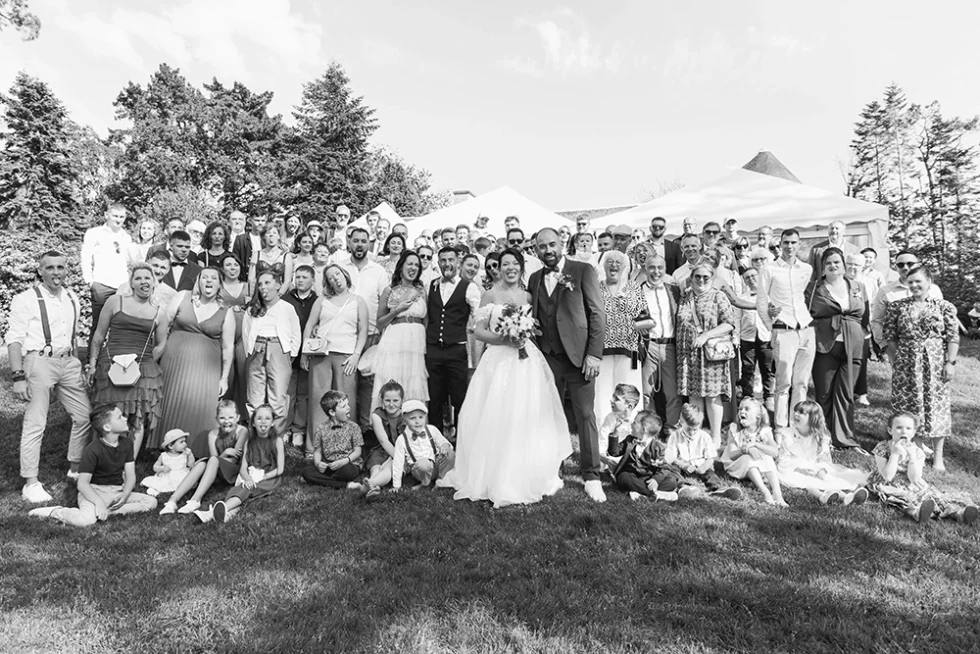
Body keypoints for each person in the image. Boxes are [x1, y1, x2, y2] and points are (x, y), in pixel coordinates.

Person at [444, 248, 573, 507]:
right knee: (496, 412)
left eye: (515, 263)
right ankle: (491, 473)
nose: (510, 268)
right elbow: (479, 331)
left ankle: (525, 471)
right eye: (505, 264)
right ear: (498, 268)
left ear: (521, 267)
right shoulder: (489, 295)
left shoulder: (529, 295)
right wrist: (505, 339)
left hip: (526, 361)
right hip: (497, 360)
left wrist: (523, 334)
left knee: (526, 412)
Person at [529, 229, 607, 502]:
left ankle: (592, 476)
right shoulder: (534, 278)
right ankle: (554, 470)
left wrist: (594, 354)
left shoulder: (583, 270)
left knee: (585, 415)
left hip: (579, 357)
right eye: (542, 246)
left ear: (562, 244)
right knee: (550, 415)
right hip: (547, 357)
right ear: (536, 250)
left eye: (552, 244)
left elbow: (597, 313)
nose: (548, 250)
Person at [6, 249, 90, 503]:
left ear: (66, 270)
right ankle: (30, 482)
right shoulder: (26, 299)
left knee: (84, 416)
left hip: (68, 361)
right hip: (39, 362)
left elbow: (71, 334)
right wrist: (18, 376)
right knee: (36, 422)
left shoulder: (72, 297)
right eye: (50, 267)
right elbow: (14, 339)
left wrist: (76, 363)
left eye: (60, 267)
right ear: (40, 270)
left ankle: (75, 468)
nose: (56, 272)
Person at [883, 266, 959, 471]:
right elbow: (890, 337)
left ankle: (938, 457)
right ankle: (916, 453)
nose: (914, 285)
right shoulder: (897, 307)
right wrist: (898, 359)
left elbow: (953, 338)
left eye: (918, 281)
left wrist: (950, 363)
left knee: (937, 407)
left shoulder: (944, 306)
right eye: (911, 282)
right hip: (906, 364)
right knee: (910, 407)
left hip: (935, 363)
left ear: (929, 281)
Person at [28, 405, 157, 524]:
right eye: (119, 417)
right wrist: (98, 502)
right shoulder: (93, 449)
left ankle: (106, 512)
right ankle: (58, 512)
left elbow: (130, 476)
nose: (125, 419)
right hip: (93, 492)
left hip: (117, 492)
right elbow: (82, 484)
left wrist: (125, 494)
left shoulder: (127, 444)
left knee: (151, 502)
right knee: (85, 521)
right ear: (107, 427)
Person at [88, 263, 164, 456]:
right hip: (110, 365)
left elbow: (161, 344)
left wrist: (146, 364)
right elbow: (99, 335)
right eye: (138, 278)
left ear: (153, 282)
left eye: (147, 278)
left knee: (137, 417)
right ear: (131, 283)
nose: (143, 281)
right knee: (106, 415)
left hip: (141, 369)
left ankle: (128, 464)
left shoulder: (159, 311)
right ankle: (101, 461)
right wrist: (93, 364)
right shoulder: (115, 302)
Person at [155, 268, 235, 448]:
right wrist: (158, 353)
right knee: (171, 403)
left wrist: (224, 378)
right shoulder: (183, 297)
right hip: (174, 364)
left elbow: (228, 347)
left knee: (202, 407)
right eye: (204, 277)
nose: (209, 281)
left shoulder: (226, 310)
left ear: (220, 284)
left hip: (206, 369)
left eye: (214, 278)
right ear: (198, 281)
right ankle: (165, 447)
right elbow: (164, 325)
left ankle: (198, 449)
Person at [808, 248, 868, 450]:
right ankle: (823, 437)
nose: (833, 266)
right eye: (828, 263)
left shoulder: (858, 286)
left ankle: (844, 438)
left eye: (837, 262)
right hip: (824, 345)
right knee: (824, 393)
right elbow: (805, 313)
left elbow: (865, 316)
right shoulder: (814, 288)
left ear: (844, 266)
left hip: (854, 345)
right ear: (823, 268)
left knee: (846, 393)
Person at [870, 412, 978, 524]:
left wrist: (912, 457)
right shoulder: (883, 447)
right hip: (888, 483)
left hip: (910, 482)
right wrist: (895, 454)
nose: (903, 431)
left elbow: (914, 478)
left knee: (932, 497)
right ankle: (916, 513)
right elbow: (887, 476)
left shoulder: (918, 452)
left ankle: (958, 513)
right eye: (899, 428)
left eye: (908, 428)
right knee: (902, 497)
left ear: (913, 432)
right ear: (890, 430)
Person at [303, 264, 367, 451]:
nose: (336, 279)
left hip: (346, 357)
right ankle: (314, 448)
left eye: (337, 274)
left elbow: (363, 330)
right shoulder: (322, 300)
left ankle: (345, 447)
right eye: (331, 277)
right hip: (321, 355)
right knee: (318, 401)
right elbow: (309, 325)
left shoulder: (358, 301)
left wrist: (356, 355)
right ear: (328, 282)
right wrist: (305, 353)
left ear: (344, 275)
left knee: (345, 402)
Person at [756, 228, 815, 429]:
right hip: (783, 330)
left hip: (806, 329)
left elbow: (804, 296)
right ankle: (781, 428)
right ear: (780, 244)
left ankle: (798, 427)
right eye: (786, 242)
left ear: (799, 244)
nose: (790, 246)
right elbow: (761, 301)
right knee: (783, 384)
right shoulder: (769, 269)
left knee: (801, 383)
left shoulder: (806, 269)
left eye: (793, 242)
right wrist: (771, 326)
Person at [675, 262, 736, 448]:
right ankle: (696, 436)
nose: (701, 280)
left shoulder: (718, 296)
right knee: (694, 396)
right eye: (697, 276)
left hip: (710, 354)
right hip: (689, 354)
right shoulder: (685, 298)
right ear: (691, 278)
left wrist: (705, 335)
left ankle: (716, 438)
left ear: (712, 278)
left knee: (712, 395)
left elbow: (729, 323)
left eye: (705, 277)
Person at [424, 247, 480, 437]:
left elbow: (478, 316)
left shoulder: (469, 287)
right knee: (434, 397)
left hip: (456, 349)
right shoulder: (431, 285)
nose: (447, 264)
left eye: (450, 260)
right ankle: (436, 440)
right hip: (433, 349)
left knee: (459, 396)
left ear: (458, 262)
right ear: (438, 263)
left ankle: (464, 439)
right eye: (443, 260)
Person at [159, 400, 248, 515]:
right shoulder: (213, 434)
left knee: (209, 461)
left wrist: (218, 458)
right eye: (222, 418)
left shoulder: (242, 431)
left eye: (231, 417)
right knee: (202, 464)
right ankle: (172, 501)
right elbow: (214, 457)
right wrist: (225, 453)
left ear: (237, 418)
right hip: (216, 469)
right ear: (216, 419)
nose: (227, 421)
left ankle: (195, 500)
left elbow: (235, 458)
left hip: (233, 471)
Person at [199, 404, 285, 523]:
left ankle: (213, 512)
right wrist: (248, 478)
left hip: (269, 478)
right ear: (253, 423)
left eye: (267, 418)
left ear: (272, 423)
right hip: (252, 476)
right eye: (259, 418)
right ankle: (227, 515)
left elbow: (280, 469)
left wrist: (262, 477)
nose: (263, 421)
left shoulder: (277, 441)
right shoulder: (249, 442)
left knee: (247, 489)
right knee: (244, 488)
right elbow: (243, 468)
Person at [776, 401, 870, 505]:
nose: (796, 414)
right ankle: (821, 496)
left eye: (801, 413)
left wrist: (821, 469)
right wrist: (802, 469)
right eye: (795, 411)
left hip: (815, 467)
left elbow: (824, 458)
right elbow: (783, 459)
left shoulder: (819, 437)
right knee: (807, 482)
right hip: (794, 468)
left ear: (812, 419)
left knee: (828, 479)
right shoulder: (788, 435)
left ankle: (847, 497)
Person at [340, 227, 388, 430]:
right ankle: (347, 428)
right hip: (345, 335)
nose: (359, 245)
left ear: (369, 244)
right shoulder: (340, 267)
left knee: (368, 384)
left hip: (371, 334)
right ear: (349, 242)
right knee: (346, 383)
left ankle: (367, 429)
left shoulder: (378, 271)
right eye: (356, 240)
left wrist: (381, 332)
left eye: (363, 241)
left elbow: (384, 302)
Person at [242, 270, 301, 434]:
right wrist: (251, 350)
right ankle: (256, 436)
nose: (263, 287)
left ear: (278, 285)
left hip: (279, 349)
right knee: (255, 396)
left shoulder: (287, 308)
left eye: (267, 283)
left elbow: (295, 333)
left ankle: (276, 436)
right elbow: (246, 333)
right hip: (257, 348)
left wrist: (290, 354)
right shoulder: (253, 309)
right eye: (260, 284)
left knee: (278, 396)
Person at [594, 250, 644, 425]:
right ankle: (603, 428)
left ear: (625, 267)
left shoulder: (633, 288)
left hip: (629, 349)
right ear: (604, 266)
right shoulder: (596, 288)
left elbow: (644, 317)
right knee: (603, 390)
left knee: (628, 390)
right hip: (601, 348)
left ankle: (631, 428)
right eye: (610, 262)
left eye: (618, 262)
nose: (614, 265)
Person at [635, 256, 682, 427]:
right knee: (646, 392)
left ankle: (672, 429)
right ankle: (650, 429)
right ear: (645, 269)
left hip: (670, 346)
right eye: (652, 267)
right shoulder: (636, 291)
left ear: (665, 269)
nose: (656, 272)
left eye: (660, 267)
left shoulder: (674, 291)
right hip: (649, 346)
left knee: (673, 392)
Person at [870, 250, 944, 358]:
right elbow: (877, 321)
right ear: (896, 267)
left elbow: (940, 319)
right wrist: (885, 346)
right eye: (901, 265)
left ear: (918, 265)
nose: (905, 267)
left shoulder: (933, 290)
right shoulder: (885, 291)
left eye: (910, 263)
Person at [664, 403, 742, 500]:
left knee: (710, 474)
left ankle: (718, 488)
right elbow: (672, 457)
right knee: (673, 470)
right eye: (688, 429)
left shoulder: (705, 437)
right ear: (681, 423)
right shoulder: (675, 436)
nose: (692, 433)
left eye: (695, 430)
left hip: (700, 465)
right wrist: (683, 465)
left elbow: (710, 458)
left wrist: (703, 467)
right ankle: (683, 487)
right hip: (682, 465)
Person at [81, 203, 132, 350]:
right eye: (115, 216)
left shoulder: (126, 237)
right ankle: (92, 361)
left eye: (121, 216)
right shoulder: (94, 233)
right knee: (99, 326)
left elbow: (128, 262)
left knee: (120, 326)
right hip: (101, 285)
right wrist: (90, 281)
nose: (118, 219)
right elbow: (86, 257)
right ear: (106, 215)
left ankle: (113, 358)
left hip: (122, 288)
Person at [721, 398, 787, 506]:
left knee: (767, 456)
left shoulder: (764, 430)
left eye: (747, 409)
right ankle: (765, 492)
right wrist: (746, 450)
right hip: (736, 465)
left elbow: (775, 452)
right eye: (740, 409)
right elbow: (732, 456)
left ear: (758, 416)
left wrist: (756, 444)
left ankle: (777, 494)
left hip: (756, 466)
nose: (742, 411)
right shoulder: (735, 429)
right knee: (748, 457)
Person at [283, 265, 320, 449]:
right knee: (288, 393)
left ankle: (299, 429)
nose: (300, 280)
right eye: (297, 277)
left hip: (308, 352)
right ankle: (285, 428)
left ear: (313, 280)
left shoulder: (318, 301)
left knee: (304, 394)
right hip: (289, 352)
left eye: (304, 277)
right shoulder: (286, 299)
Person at [610, 411, 680, 502]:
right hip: (631, 475)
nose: (631, 424)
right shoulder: (629, 440)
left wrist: (655, 480)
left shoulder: (658, 447)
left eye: (634, 423)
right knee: (624, 477)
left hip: (648, 478)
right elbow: (614, 452)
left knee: (671, 481)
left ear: (643, 429)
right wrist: (615, 434)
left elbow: (664, 468)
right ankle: (655, 494)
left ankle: (640, 492)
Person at [302, 390, 363, 488]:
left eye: (348, 404)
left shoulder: (354, 427)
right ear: (332, 412)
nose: (348, 408)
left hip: (348, 463)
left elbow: (358, 451)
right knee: (307, 472)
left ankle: (321, 480)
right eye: (344, 406)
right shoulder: (321, 428)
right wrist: (318, 463)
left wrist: (344, 461)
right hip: (329, 465)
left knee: (347, 472)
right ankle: (345, 485)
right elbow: (317, 451)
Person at [390, 400, 456, 491]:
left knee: (450, 453)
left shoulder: (431, 429)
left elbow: (443, 441)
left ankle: (441, 480)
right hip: (420, 469)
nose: (417, 421)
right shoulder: (402, 440)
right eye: (412, 418)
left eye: (421, 417)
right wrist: (396, 485)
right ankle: (425, 483)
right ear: (405, 419)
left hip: (436, 465)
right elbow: (398, 463)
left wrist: (444, 445)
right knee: (424, 464)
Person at [358, 380, 407, 497]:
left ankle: (372, 484)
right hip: (382, 449)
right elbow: (383, 440)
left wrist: (397, 458)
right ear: (382, 401)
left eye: (395, 400)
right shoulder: (377, 415)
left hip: (401, 452)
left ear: (402, 401)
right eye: (387, 400)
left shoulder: (406, 416)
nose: (391, 404)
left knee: (389, 469)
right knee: (376, 467)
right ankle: (373, 486)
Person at [736, 267, 774, 410]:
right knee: (748, 369)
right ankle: (748, 396)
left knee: (767, 368)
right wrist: (736, 338)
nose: (751, 279)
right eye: (747, 278)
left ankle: (769, 395)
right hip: (747, 338)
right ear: (744, 281)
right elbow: (737, 319)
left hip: (766, 337)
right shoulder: (741, 299)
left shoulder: (770, 295)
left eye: (753, 276)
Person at [217, 253, 249, 419]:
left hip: (244, 337)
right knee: (226, 375)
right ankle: (223, 415)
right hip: (224, 337)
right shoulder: (218, 286)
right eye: (228, 265)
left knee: (244, 375)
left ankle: (242, 417)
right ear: (222, 268)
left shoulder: (249, 286)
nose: (233, 268)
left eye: (236, 264)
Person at [845, 253, 874, 407]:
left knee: (861, 361)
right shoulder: (840, 281)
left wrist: (868, 325)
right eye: (849, 263)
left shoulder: (868, 282)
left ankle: (861, 393)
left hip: (864, 328)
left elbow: (872, 304)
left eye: (856, 264)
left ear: (863, 267)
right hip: (845, 327)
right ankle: (846, 390)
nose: (852, 267)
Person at [140, 428, 195, 497]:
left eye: (185, 441)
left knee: (186, 483)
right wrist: (162, 468)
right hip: (168, 476)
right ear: (171, 446)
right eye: (181, 442)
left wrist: (190, 455)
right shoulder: (164, 456)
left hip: (181, 476)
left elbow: (190, 465)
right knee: (161, 483)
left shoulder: (184, 454)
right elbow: (155, 467)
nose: (185, 444)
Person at [600, 383, 641, 457]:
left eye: (616, 399)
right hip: (612, 454)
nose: (611, 400)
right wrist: (603, 456)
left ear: (629, 406)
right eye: (613, 397)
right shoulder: (610, 418)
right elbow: (603, 439)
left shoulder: (637, 420)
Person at [231, 212, 266, 283]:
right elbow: (235, 261)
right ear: (250, 221)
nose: (260, 223)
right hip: (245, 279)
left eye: (262, 220)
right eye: (257, 220)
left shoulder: (268, 239)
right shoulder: (240, 239)